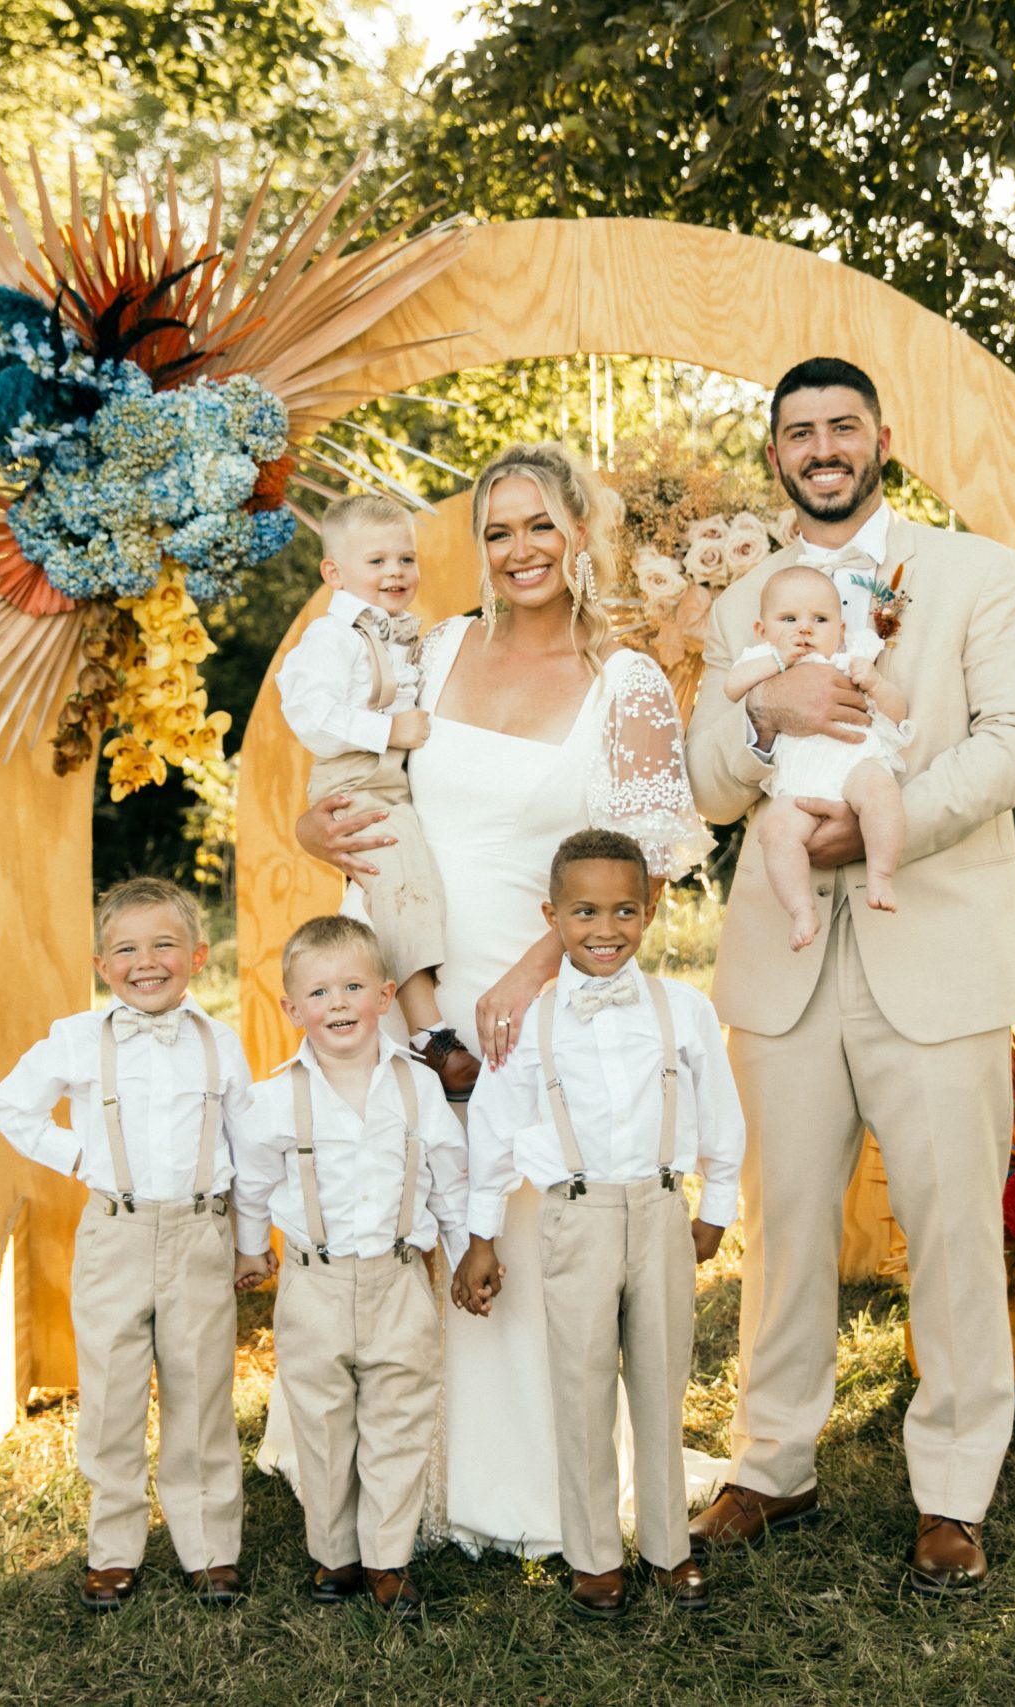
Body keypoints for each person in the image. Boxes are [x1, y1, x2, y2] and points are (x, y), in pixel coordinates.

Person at [682, 357, 1015, 1594]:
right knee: (783, 1228)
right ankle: (771, 1463)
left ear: (880, 439)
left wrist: (891, 819)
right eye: (798, 432)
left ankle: (953, 1489)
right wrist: (765, 718)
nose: (822, 446)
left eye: (842, 425)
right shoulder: (738, 597)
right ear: (777, 454)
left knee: (952, 1230)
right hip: (784, 961)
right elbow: (701, 781)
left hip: (935, 946)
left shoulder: (972, 572)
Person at [290, 440, 716, 1559]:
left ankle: (526, 1483)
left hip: (537, 990)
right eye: (496, 530)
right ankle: (386, 1474)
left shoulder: (623, 681)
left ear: (580, 533)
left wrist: (537, 975)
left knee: (523, 1230)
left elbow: (651, 857)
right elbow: (349, 770)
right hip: (411, 974)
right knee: (402, 1206)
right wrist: (306, 828)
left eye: (539, 525)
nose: (518, 549)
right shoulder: (428, 652)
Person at [454, 829, 743, 1618]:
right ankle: (592, 1557)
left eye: (623, 909)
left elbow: (720, 1114)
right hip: (573, 1218)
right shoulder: (531, 1022)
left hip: (658, 1210)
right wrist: (480, 1237)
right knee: (580, 1385)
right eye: (584, 912)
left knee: (660, 1378)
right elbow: (493, 1131)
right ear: (553, 916)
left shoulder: (682, 1010)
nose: (605, 928)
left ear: (649, 910)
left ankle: (668, 1546)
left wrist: (716, 1207)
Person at [0, 877, 258, 1611]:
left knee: (201, 1389)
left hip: (201, 1230)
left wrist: (252, 1241)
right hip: (115, 1233)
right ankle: (112, 1546)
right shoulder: (78, 1038)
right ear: (103, 964)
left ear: (197, 955)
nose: (147, 961)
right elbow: (9, 1103)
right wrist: (79, 1156)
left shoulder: (219, 1042)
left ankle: (209, 1546)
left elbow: (251, 1148)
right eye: (127, 949)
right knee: (110, 1393)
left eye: (164, 944)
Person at [232, 915, 467, 1620]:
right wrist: (252, 1246)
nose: (337, 1002)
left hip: (400, 1276)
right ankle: (334, 1550)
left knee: (400, 1415)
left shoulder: (417, 1088)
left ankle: (389, 1559)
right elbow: (249, 1180)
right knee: (323, 1418)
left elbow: (449, 1177)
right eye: (319, 990)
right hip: (314, 1281)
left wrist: (466, 1250)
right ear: (292, 1008)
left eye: (353, 986)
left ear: (386, 995)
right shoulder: (274, 1098)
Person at [275, 494, 477, 1100]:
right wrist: (387, 730)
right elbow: (310, 716)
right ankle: (428, 1031)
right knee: (399, 881)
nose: (395, 572)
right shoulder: (328, 638)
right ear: (333, 574)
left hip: (391, 781)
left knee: (417, 879)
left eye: (405, 558)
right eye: (377, 561)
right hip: (353, 779)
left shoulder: (404, 635)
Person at [723, 564, 915, 947]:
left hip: (854, 764)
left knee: (880, 791)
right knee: (775, 830)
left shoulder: (849, 659)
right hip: (798, 783)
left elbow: (898, 713)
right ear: (762, 631)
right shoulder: (762, 660)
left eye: (820, 619)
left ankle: (880, 874)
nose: (805, 629)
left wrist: (874, 682)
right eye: (789, 618)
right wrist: (778, 661)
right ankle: (800, 910)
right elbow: (732, 688)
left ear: (841, 631)